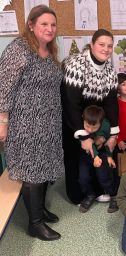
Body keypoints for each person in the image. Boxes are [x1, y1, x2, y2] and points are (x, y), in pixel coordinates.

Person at [0, 5, 63, 240]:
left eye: (53, 24)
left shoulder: (50, 50)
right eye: (44, 24)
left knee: (44, 167)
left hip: (49, 122)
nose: (49, 28)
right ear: (31, 25)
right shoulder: (19, 49)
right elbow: (3, 87)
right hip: (26, 124)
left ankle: (40, 210)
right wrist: (2, 121)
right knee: (31, 170)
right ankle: (34, 223)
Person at [61, 29, 119, 205]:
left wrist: (114, 133)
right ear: (92, 45)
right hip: (75, 119)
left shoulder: (109, 68)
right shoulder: (77, 64)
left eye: (109, 46)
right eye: (102, 44)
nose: (106, 49)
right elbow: (71, 104)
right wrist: (83, 135)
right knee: (76, 159)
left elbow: (111, 103)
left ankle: (100, 189)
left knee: (99, 154)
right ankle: (78, 194)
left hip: (97, 119)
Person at [77, 106, 118, 213]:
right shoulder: (80, 126)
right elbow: (88, 143)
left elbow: (104, 143)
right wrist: (94, 156)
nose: (90, 130)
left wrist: (109, 156)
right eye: (87, 126)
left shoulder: (105, 125)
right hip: (86, 153)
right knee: (83, 178)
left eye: (94, 127)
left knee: (104, 177)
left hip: (102, 152)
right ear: (83, 119)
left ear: (101, 122)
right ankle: (90, 195)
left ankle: (114, 195)